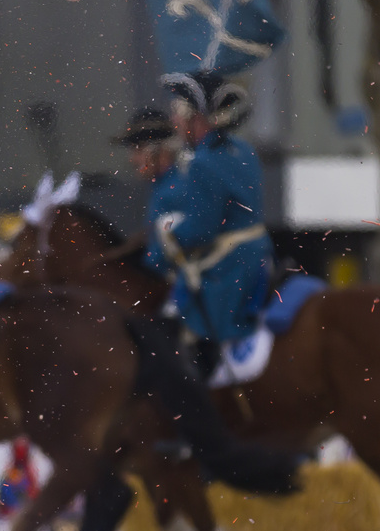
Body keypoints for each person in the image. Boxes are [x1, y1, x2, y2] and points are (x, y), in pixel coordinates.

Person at [155, 71, 273, 355]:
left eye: (177, 114)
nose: (173, 122)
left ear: (194, 117)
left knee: (179, 333)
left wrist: (168, 233)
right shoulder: (243, 149)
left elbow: (201, 230)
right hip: (259, 255)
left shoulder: (203, 163)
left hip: (229, 267)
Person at [113, 107, 186, 279]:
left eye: (138, 149)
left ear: (160, 150)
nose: (132, 159)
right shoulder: (165, 186)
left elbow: (159, 261)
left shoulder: (172, 192)